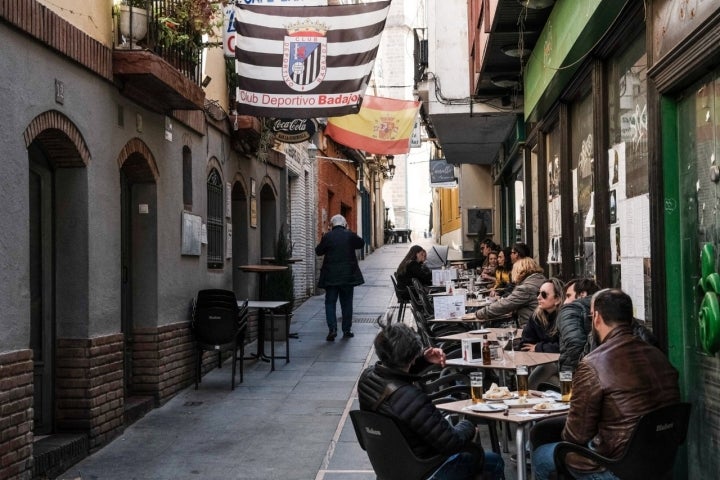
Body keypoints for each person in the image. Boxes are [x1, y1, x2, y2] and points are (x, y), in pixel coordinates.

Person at [531, 289, 681, 480]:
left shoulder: (593, 364)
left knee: (541, 455)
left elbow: (575, 436)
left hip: (613, 467)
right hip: (659, 462)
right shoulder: (658, 356)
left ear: (597, 318)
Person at [357, 321, 504, 480]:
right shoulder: (411, 398)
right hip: (425, 469)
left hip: (390, 465)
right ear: (412, 355)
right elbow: (451, 443)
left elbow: (395, 373)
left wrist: (423, 360)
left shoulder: (367, 379)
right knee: (493, 461)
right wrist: (469, 425)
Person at [315, 214, 365, 341]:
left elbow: (318, 251)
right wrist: (349, 230)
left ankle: (332, 329)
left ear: (331, 225)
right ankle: (346, 330)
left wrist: (324, 237)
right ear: (344, 224)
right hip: (347, 277)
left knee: (330, 303)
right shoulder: (349, 235)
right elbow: (361, 243)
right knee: (347, 303)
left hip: (331, 277)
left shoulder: (328, 236)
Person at [475, 257, 546, 328]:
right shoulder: (541, 280)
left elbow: (505, 305)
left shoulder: (526, 288)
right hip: (539, 325)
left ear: (520, 271)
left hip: (529, 329)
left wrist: (479, 313)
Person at [519, 278, 564, 388]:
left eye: (544, 294)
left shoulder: (565, 317)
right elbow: (525, 344)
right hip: (541, 363)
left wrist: (539, 347)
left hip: (562, 363)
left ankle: (524, 394)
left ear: (557, 299)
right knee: (547, 380)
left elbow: (564, 346)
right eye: (538, 293)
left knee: (545, 368)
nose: (538, 297)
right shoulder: (537, 316)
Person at [557, 278, 601, 373]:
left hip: (576, 376)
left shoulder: (570, 310)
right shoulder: (608, 309)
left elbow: (575, 349)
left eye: (568, 296)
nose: (565, 302)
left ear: (582, 294)